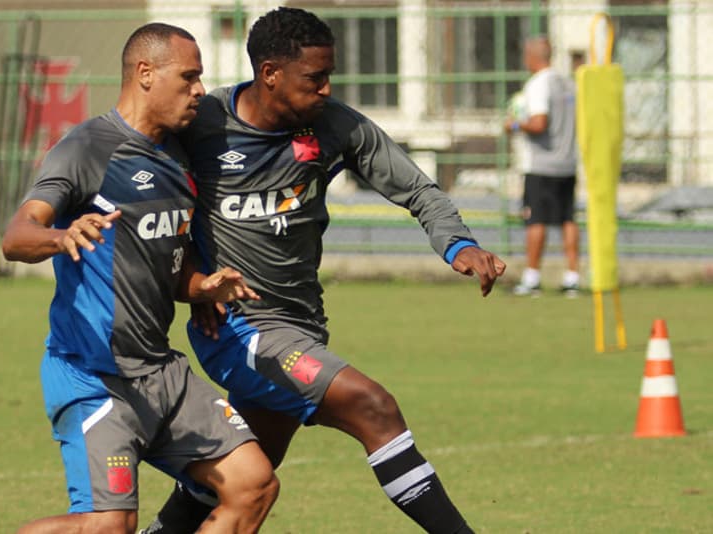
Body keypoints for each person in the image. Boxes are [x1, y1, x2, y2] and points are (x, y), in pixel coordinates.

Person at [141, 8, 505, 534]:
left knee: (241, 478)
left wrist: (459, 244)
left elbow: (418, 189)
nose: (327, 89)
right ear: (270, 74)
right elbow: (160, 208)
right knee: (373, 406)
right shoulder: (204, 125)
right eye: (315, 78)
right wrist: (196, 281)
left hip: (302, 326)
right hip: (238, 328)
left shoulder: (332, 125)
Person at [2, 23, 279, 534]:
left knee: (254, 483)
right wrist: (60, 238)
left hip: (161, 374)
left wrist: (202, 287)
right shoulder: (87, 147)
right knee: (110, 525)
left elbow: (168, 267)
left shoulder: (178, 155)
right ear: (146, 74)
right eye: (189, 77)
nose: (200, 90)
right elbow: (17, 235)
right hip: (94, 378)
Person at [505, 36, 580, 297]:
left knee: (535, 219)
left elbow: (538, 123)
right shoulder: (567, 83)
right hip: (567, 162)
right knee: (567, 219)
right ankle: (573, 277)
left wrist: (513, 124)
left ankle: (532, 278)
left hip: (541, 164)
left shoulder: (538, 84)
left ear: (532, 56)